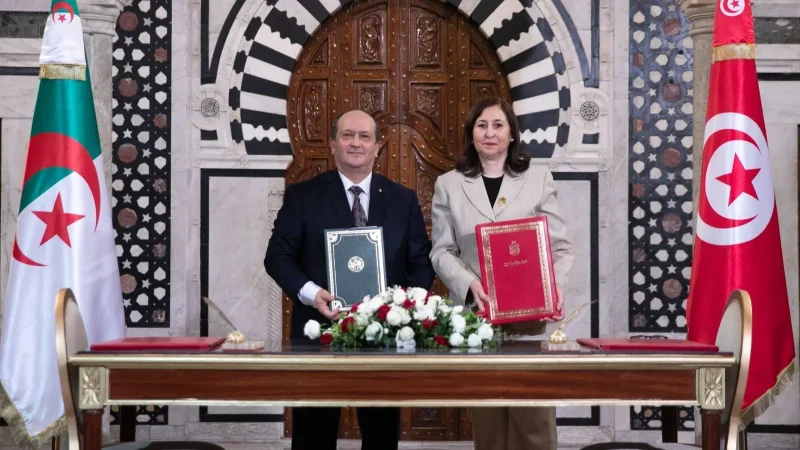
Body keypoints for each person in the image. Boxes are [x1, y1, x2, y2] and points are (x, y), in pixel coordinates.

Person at [264, 109, 436, 450]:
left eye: (364, 136)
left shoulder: (402, 200)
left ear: (377, 147)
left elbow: (421, 262)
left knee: (381, 437)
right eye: (347, 135)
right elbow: (277, 257)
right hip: (318, 332)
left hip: (383, 337)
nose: (356, 143)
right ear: (332, 144)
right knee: (313, 436)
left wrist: (401, 306)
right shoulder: (303, 196)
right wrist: (312, 293)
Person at [429, 97, 574, 450]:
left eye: (498, 125)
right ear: (472, 134)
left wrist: (553, 289)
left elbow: (560, 248)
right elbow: (441, 251)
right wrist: (469, 284)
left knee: (534, 424)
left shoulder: (538, 179)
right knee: (489, 425)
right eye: (482, 126)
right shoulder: (449, 184)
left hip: (530, 321)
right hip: (477, 320)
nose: (489, 133)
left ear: (511, 134)